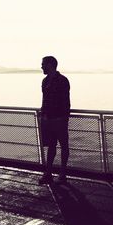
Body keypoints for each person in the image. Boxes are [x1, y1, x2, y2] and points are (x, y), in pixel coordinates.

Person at [39, 56, 71, 185]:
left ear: (50, 65)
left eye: (43, 64)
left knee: (64, 146)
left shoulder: (62, 80)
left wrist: (64, 118)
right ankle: (48, 174)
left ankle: (62, 174)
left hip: (59, 119)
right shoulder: (45, 81)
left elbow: (66, 101)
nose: (41, 67)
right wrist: (43, 115)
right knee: (51, 146)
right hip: (47, 119)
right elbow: (44, 100)